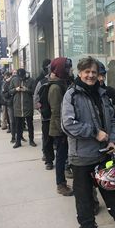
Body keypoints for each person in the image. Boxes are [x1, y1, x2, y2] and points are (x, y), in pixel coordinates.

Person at [62, 56, 115, 228]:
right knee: (84, 199)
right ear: (79, 73)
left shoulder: (102, 94)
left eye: (94, 72)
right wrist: (95, 133)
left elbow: (113, 119)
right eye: (87, 72)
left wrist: (112, 139)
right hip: (81, 157)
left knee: (114, 193)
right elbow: (68, 125)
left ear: (99, 75)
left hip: (104, 153)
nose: (90, 75)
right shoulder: (71, 95)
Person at [47, 57, 74, 195]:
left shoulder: (61, 83)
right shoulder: (56, 87)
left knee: (63, 156)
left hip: (62, 127)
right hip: (59, 129)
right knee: (61, 157)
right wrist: (64, 131)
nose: (69, 70)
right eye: (67, 68)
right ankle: (61, 184)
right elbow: (57, 112)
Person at [34, 59, 55, 169]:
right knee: (47, 139)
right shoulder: (41, 82)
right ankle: (49, 160)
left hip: (58, 118)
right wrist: (42, 110)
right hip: (46, 118)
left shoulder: (63, 81)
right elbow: (36, 99)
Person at [10, 68, 36, 148]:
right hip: (17, 105)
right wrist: (15, 89)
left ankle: (31, 140)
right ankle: (18, 141)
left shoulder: (31, 80)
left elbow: (34, 91)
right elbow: (10, 91)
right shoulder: (14, 80)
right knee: (18, 125)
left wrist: (26, 89)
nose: (21, 78)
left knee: (30, 124)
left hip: (27, 105)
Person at [2, 72, 16, 143]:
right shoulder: (6, 83)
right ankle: (13, 137)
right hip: (11, 104)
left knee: (19, 121)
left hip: (17, 104)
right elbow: (4, 94)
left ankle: (19, 136)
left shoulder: (17, 81)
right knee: (12, 121)